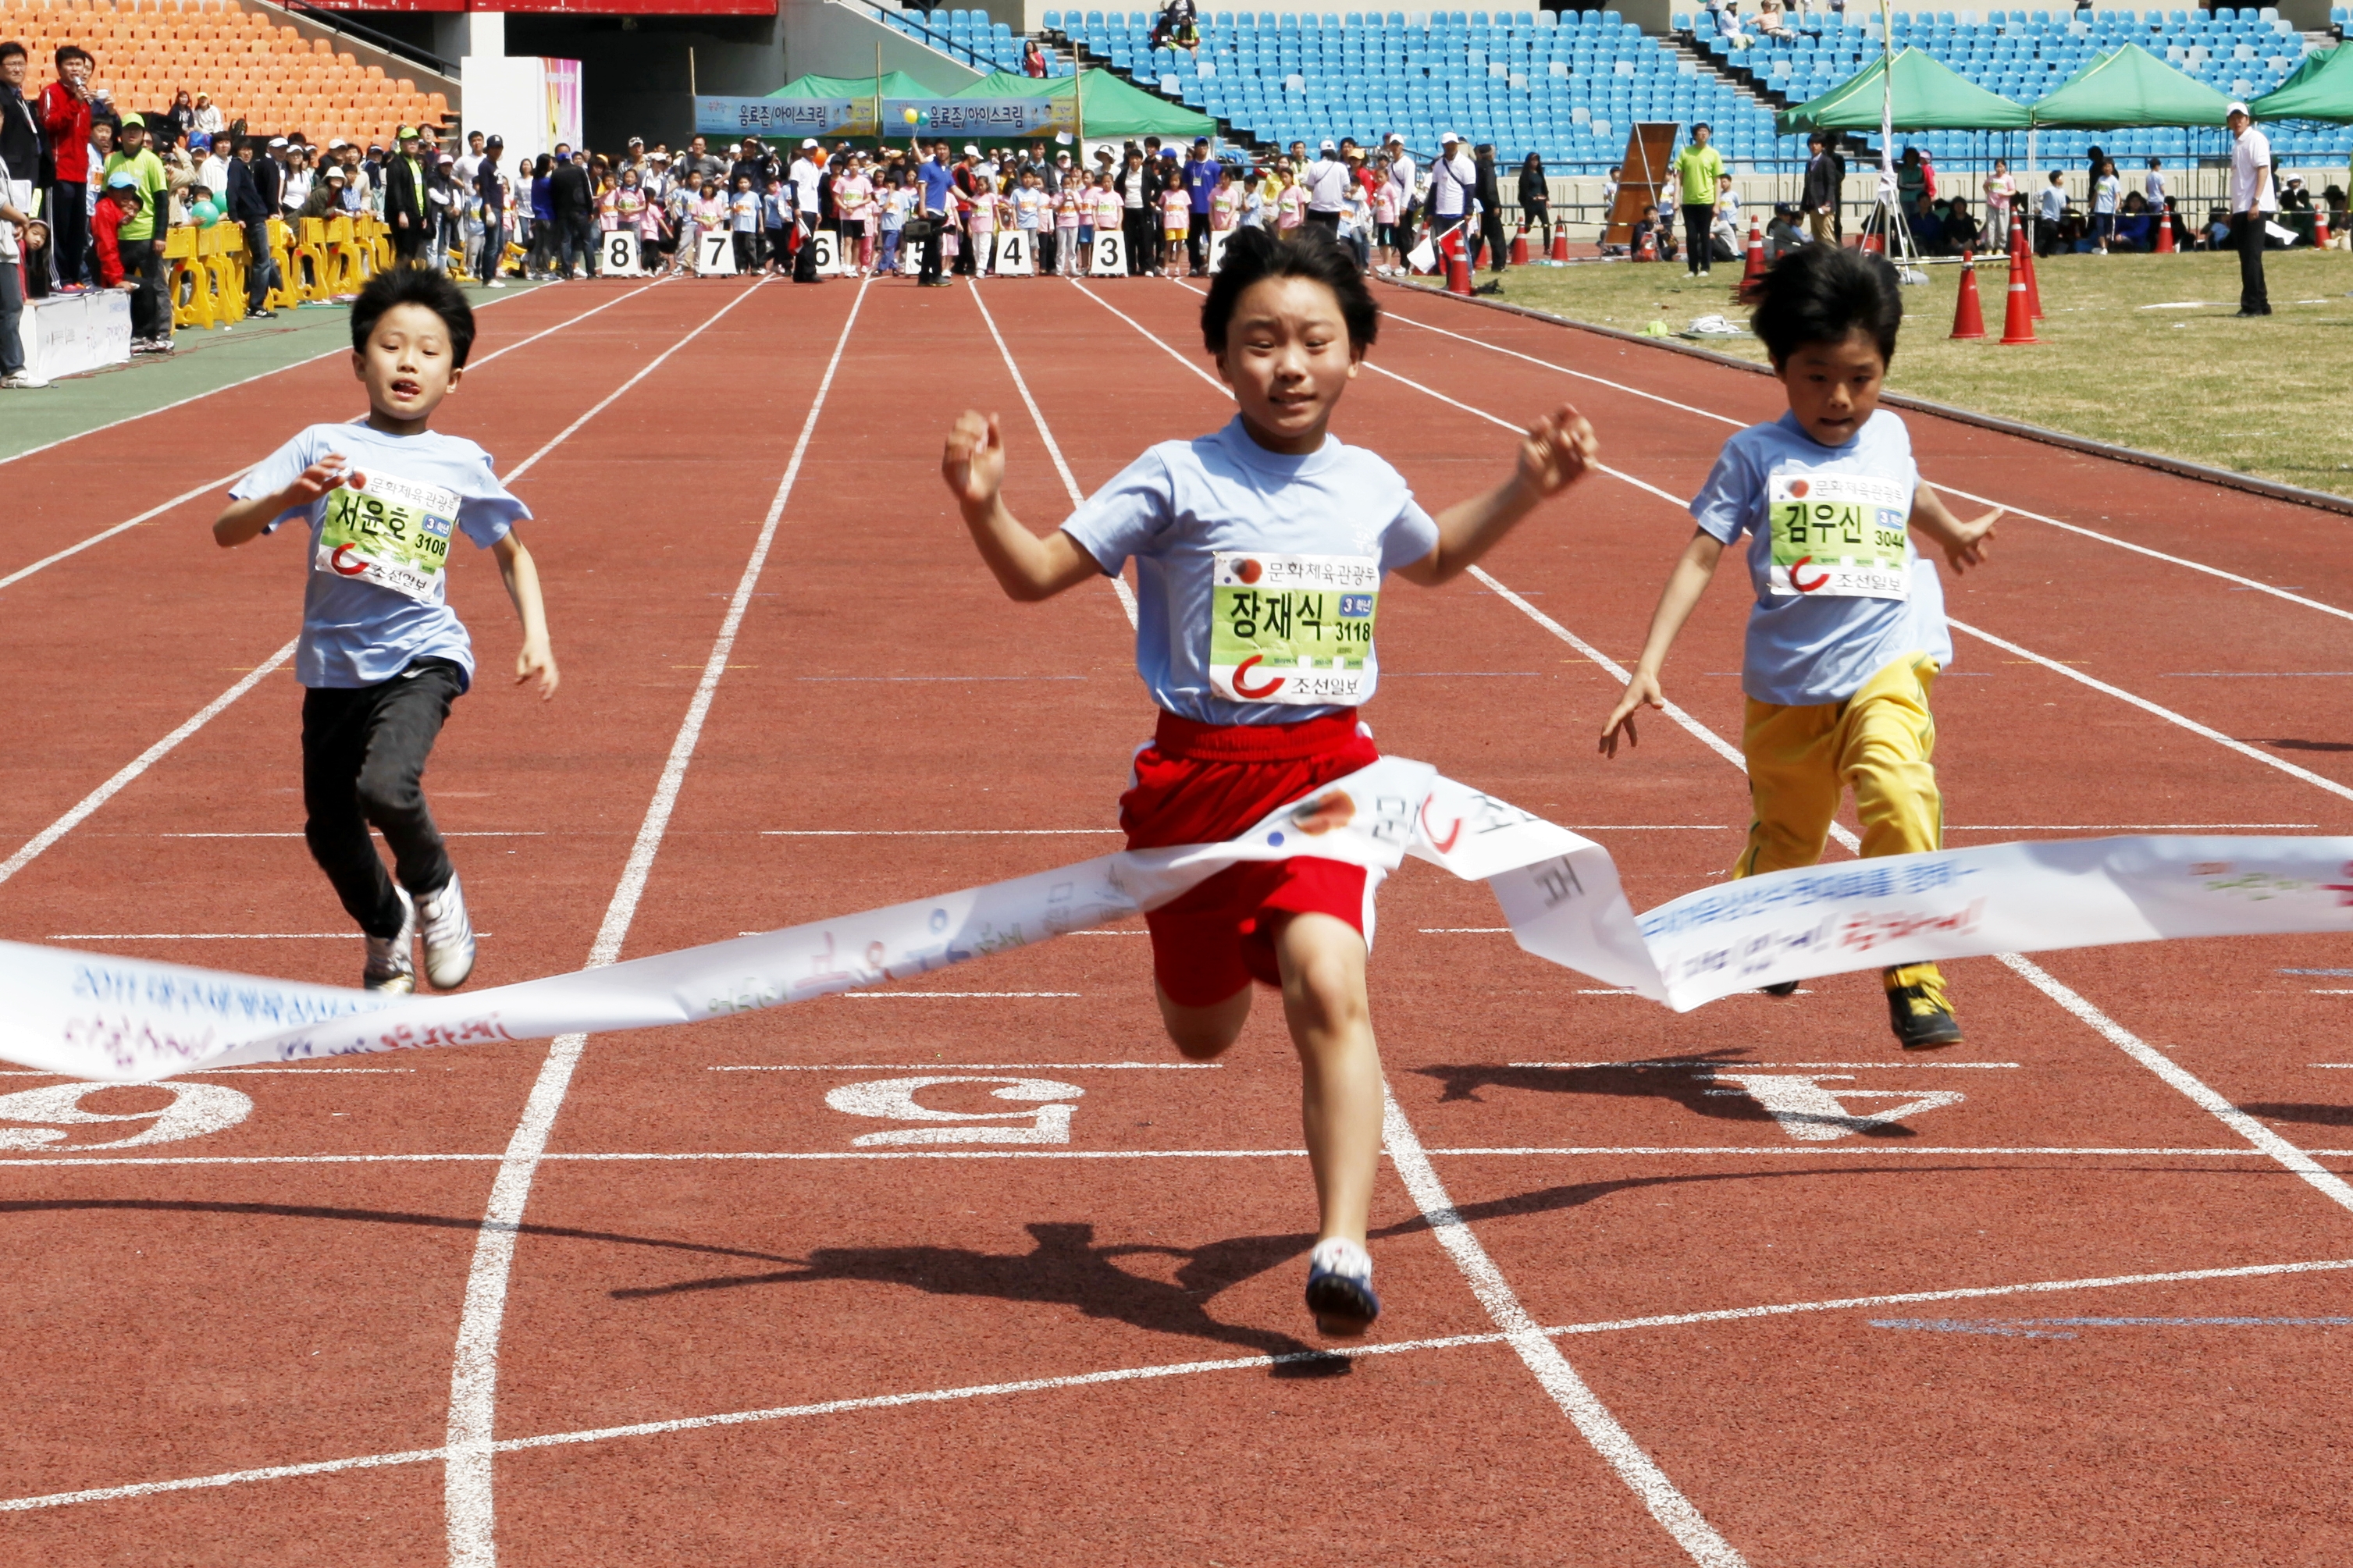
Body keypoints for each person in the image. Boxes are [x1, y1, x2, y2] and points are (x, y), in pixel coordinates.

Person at [938, 226, 1595, 1335]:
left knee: (1330, 989)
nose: (1288, 365)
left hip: (1328, 777)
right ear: (1220, 358)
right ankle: (1219, 948)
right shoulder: (1177, 475)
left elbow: (1428, 558)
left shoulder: (1368, 482)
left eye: (1313, 342)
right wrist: (981, 504)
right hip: (1194, 787)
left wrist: (1523, 489)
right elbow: (1039, 573)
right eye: (1259, 342)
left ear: (1355, 356)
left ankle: (1340, 1245)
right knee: (1202, 1035)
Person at [1600, 244, 2000, 1051]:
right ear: (1779, 368)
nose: (1839, 397)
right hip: (1786, 687)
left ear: (1885, 367)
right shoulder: (1754, 455)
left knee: (1897, 788)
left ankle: (1911, 970)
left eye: (1860, 376)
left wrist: (1948, 530)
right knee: (1791, 836)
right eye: (1816, 376)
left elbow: (1902, 486)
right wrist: (1646, 664)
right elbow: (1701, 553)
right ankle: (1759, 914)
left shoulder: (1888, 433)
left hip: (1886, 661)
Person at [211, 265, 557, 995]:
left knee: (388, 788)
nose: (408, 362)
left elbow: (512, 553)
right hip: (334, 668)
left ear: (454, 377)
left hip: (423, 655)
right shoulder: (320, 444)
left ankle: (437, 891)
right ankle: (385, 926)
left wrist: (538, 635)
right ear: (357, 362)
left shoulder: (458, 461)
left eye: (429, 351)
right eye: (391, 345)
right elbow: (226, 529)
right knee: (329, 831)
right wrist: (290, 494)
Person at [101, 113, 171, 354]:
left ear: (143, 136)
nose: (132, 134)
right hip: (120, 237)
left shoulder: (151, 161)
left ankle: (161, 332)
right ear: (121, 135)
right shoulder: (111, 160)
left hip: (145, 234)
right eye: (128, 130)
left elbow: (162, 200)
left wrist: (160, 235)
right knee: (124, 287)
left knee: (156, 286)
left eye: (137, 130)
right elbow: (104, 197)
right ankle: (131, 333)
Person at [38, 46, 96, 290]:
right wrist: (74, 102)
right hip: (59, 172)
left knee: (76, 231)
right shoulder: (51, 92)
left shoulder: (85, 98)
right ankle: (57, 279)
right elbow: (50, 124)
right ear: (59, 67)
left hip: (80, 173)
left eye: (79, 65)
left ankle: (75, 277)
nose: (75, 69)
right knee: (58, 230)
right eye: (70, 64)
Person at [2225, 102, 2273, 316]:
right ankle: (2261, 303)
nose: (2237, 121)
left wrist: (2256, 201)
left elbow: (2263, 169)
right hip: (2242, 207)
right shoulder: (2237, 145)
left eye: (2241, 117)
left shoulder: (2255, 139)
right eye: (2233, 118)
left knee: (2251, 257)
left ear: (2248, 119)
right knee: (2249, 256)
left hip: (2253, 206)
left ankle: (2251, 305)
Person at [1672, 123, 1725, 278]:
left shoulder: (1714, 154)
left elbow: (1717, 180)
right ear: (1694, 135)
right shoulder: (1685, 153)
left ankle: (1705, 267)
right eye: (1700, 132)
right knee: (1691, 236)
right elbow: (1678, 177)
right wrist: (1676, 199)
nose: (1703, 134)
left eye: (1706, 131)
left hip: (1707, 201)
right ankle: (1692, 268)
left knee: (1705, 235)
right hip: (1689, 201)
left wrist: (1717, 203)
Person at [383, 126, 428, 264]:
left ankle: (407, 282)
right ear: (401, 143)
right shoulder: (395, 164)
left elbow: (420, 191)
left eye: (415, 140)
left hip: (415, 215)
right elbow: (395, 190)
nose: (413, 144)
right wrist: (401, 212)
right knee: (404, 252)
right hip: (403, 216)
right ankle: (401, 283)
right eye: (409, 141)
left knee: (411, 252)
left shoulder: (415, 163)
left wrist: (424, 214)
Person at [550, 146, 594, 279]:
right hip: (580, 209)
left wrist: (556, 212)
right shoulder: (579, 170)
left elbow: (553, 195)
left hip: (563, 212)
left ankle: (567, 272)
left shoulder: (556, 173)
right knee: (586, 240)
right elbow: (587, 191)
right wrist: (590, 210)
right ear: (569, 158)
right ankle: (591, 271)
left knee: (565, 241)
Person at [916, 140, 953, 287]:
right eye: (939, 149)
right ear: (934, 151)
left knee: (930, 245)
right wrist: (922, 207)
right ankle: (936, 275)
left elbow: (953, 188)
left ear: (949, 150)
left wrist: (970, 200)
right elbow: (922, 188)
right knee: (935, 244)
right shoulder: (927, 167)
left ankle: (925, 276)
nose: (941, 151)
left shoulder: (946, 170)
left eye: (944, 148)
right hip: (930, 210)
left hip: (939, 211)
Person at [1517, 151, 1550, 258]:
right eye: (1533, 160)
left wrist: (1547, 199)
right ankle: (1512, 245)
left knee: (1546, 225)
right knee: (1527, 227)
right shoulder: (1525, 175)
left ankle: (1547, 248)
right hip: (1530, 204)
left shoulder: (1539, 173)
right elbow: (1523, 191)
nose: (1535, 162)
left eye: (1537, 160)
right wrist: (1532, 198)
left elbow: (1544, 187)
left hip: (1541, 203)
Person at [1981, 158, 2013, 254]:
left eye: (2001, 166)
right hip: (1991, 205)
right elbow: (1985, 186)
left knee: (2002, 227)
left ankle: (2000, 247)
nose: (1999, 169)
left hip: (2003, 205)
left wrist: (2005, 194)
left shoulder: (2008, 178)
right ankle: (1990, 247)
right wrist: (1988, 193)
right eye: (1997, 166)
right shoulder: (1991, 178)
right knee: (1991, 226)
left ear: (2005, 167)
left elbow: (2013, 190)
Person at [2090, 155, 2120, 254]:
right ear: (2102, 168)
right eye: (2105, 166)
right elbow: (2096, 192)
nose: (2107, 168)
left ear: (2113, 167)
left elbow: (2117, 195)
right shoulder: (2100, 179)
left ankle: (2105, 247)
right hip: (2099, 209)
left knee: (2108, 230)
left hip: (2109, 209)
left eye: (2109, 166)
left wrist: (2117, 204)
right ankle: (2103, 248)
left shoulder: (2114, 180)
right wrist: (2092, 203)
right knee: (2100, 228)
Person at [2035, 168, 2066, 257]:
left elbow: (2062, 203)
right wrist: (2036, 207)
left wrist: (2065, 207)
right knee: (2053, 229)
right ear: (2056, 179)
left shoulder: (2062, 191)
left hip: (2056, 216)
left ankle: (2044, 252)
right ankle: (2040, 248)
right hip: (2047, 216)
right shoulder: (2049, 189)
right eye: (2061, 177)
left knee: (2051, 235)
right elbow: (2036, 195)